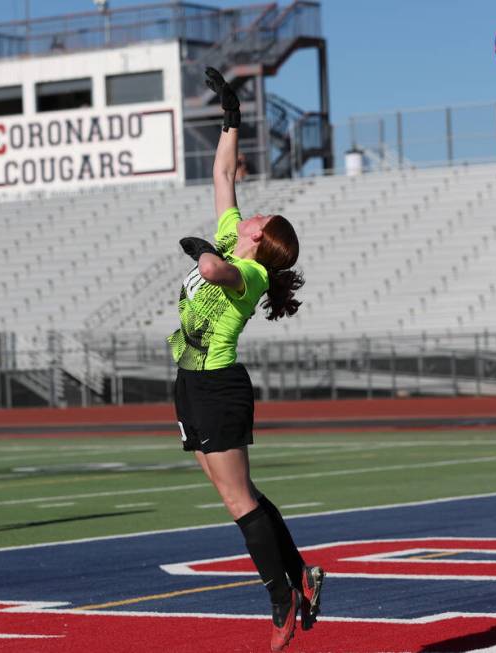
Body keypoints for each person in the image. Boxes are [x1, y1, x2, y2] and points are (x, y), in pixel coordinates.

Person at [170, 67, 323, 653]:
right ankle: (301, 576)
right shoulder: (236, 231)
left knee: (238, 500)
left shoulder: (253, 268)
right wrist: (231, 118)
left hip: (218, 386)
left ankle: (281, 597)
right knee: (239, 493)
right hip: (190, 380)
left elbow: (214, 270)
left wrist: (203, 249)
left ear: (263, 236)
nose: (250, 213)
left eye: (259, 219)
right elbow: (220, 176)